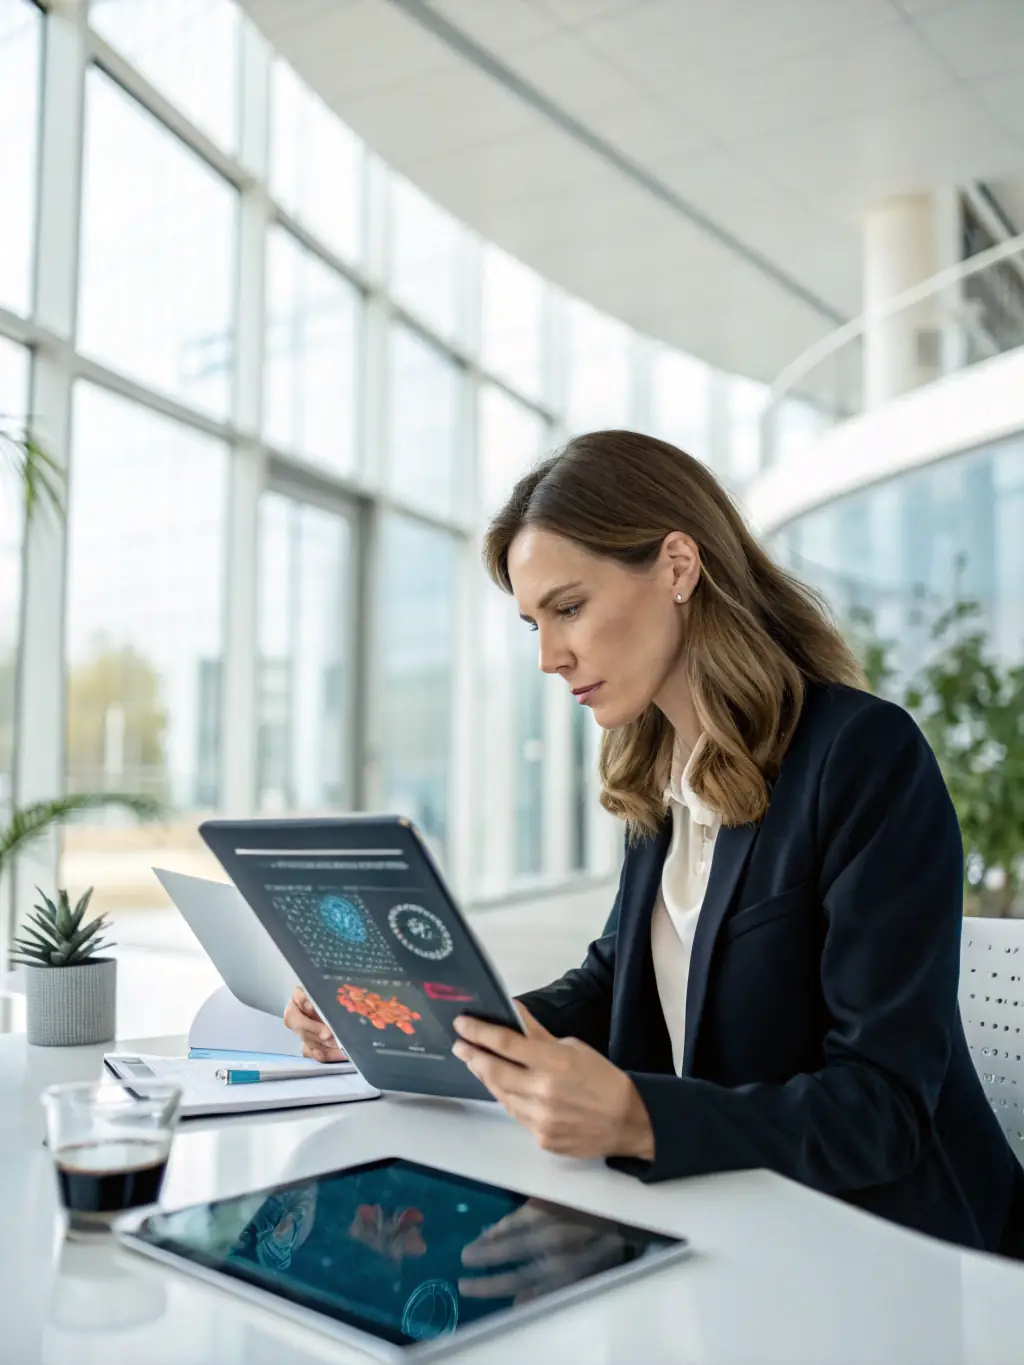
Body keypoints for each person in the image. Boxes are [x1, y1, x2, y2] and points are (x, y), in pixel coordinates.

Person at [285, 430, 1024, 1258]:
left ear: (677, 566)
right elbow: (617, 979)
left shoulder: (860, 756)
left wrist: (640, 1117)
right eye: (535, 621)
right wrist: (448, 1022)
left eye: (568, 608)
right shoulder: (659, 769)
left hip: (904, 1254)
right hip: (733, 1222)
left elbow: (883, 1108)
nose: (548, 656)